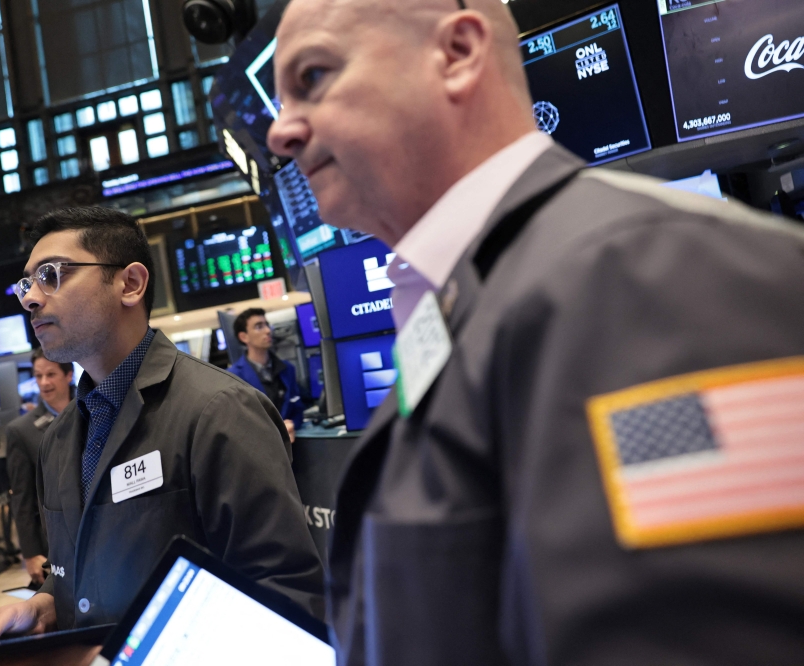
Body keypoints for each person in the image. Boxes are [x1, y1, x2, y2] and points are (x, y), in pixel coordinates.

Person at [267, 0, 804, 664]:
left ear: (458, 54)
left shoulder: (640, 277)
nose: (280, 133)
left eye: (313, 77)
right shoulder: (473, 297)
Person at [0, 206, 324, 647]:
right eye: (26, 283)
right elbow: (82, 573)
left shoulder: (219, 409)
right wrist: (45, 604)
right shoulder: (59, 438)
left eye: (51, 274)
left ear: (129, 284)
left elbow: (285, 596)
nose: (31, 298)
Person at [5, 348, 74, 586]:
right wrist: (31, 553)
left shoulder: (94, 408)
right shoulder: (21, 431)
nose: (44, 382)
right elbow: (22, 498)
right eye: (38, 376)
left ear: (69, 375)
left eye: (51, 374)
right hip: (55, 540)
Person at [228, 307, 304, 441]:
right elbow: (236, 423)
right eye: (259, 327)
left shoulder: (287, 369)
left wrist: (292, 424)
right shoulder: (234, 377)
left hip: (291, 447)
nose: (268, 331)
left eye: (267, 325)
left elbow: (297, 409)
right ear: (243, 336)